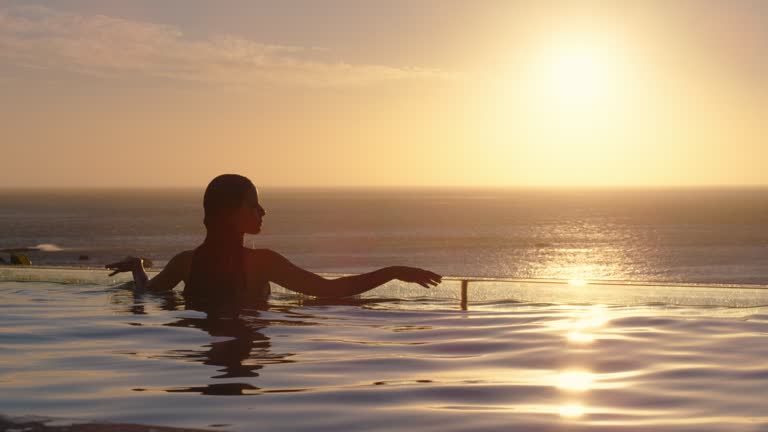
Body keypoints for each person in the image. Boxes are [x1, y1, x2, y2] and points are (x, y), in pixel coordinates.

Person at [106, 174, 442, 310]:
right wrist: (394, 271)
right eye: (254, 204)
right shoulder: (261, 262)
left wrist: (138, 268)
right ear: (232, 212)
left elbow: (147, 293)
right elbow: (330, 291)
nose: (263, 211)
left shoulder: (185, 262)